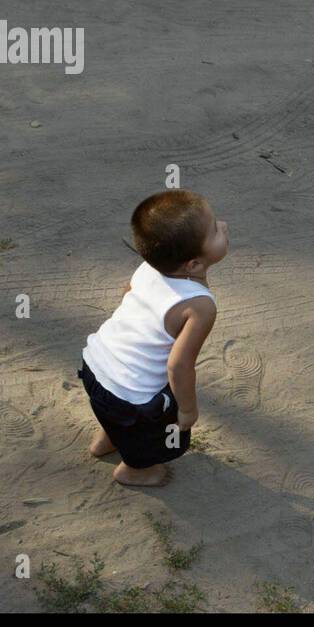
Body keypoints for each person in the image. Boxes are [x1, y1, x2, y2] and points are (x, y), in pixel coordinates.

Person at [80, 190, 229, 487]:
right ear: (194, 265)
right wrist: (187, 410)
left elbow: (128, 294)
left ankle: (106, 440)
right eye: (215, 229)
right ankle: (134, 470)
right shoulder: (199, 306)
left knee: (115, 408)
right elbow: (179, 367)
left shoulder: (150, 265)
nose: (223, 225)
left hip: (94, 365)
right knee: (166, 436)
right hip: (130, 396)